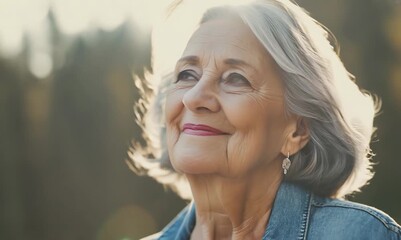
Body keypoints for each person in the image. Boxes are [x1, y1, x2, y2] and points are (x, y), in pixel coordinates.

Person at [128, 0, 401, 239]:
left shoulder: (361, 234)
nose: (194, 98)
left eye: (235, 78)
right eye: (187, 74)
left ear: (297, 131)